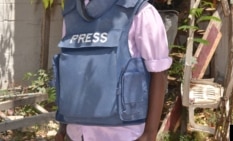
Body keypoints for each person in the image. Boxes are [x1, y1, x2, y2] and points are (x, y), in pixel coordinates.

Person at [54, 0, 172, 140]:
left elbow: (159, 72)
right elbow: (70, 72)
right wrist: (63, 126)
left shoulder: (141, 11)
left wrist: (150, 133)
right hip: (77, 133)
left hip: (123, 134)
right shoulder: (71, 13)